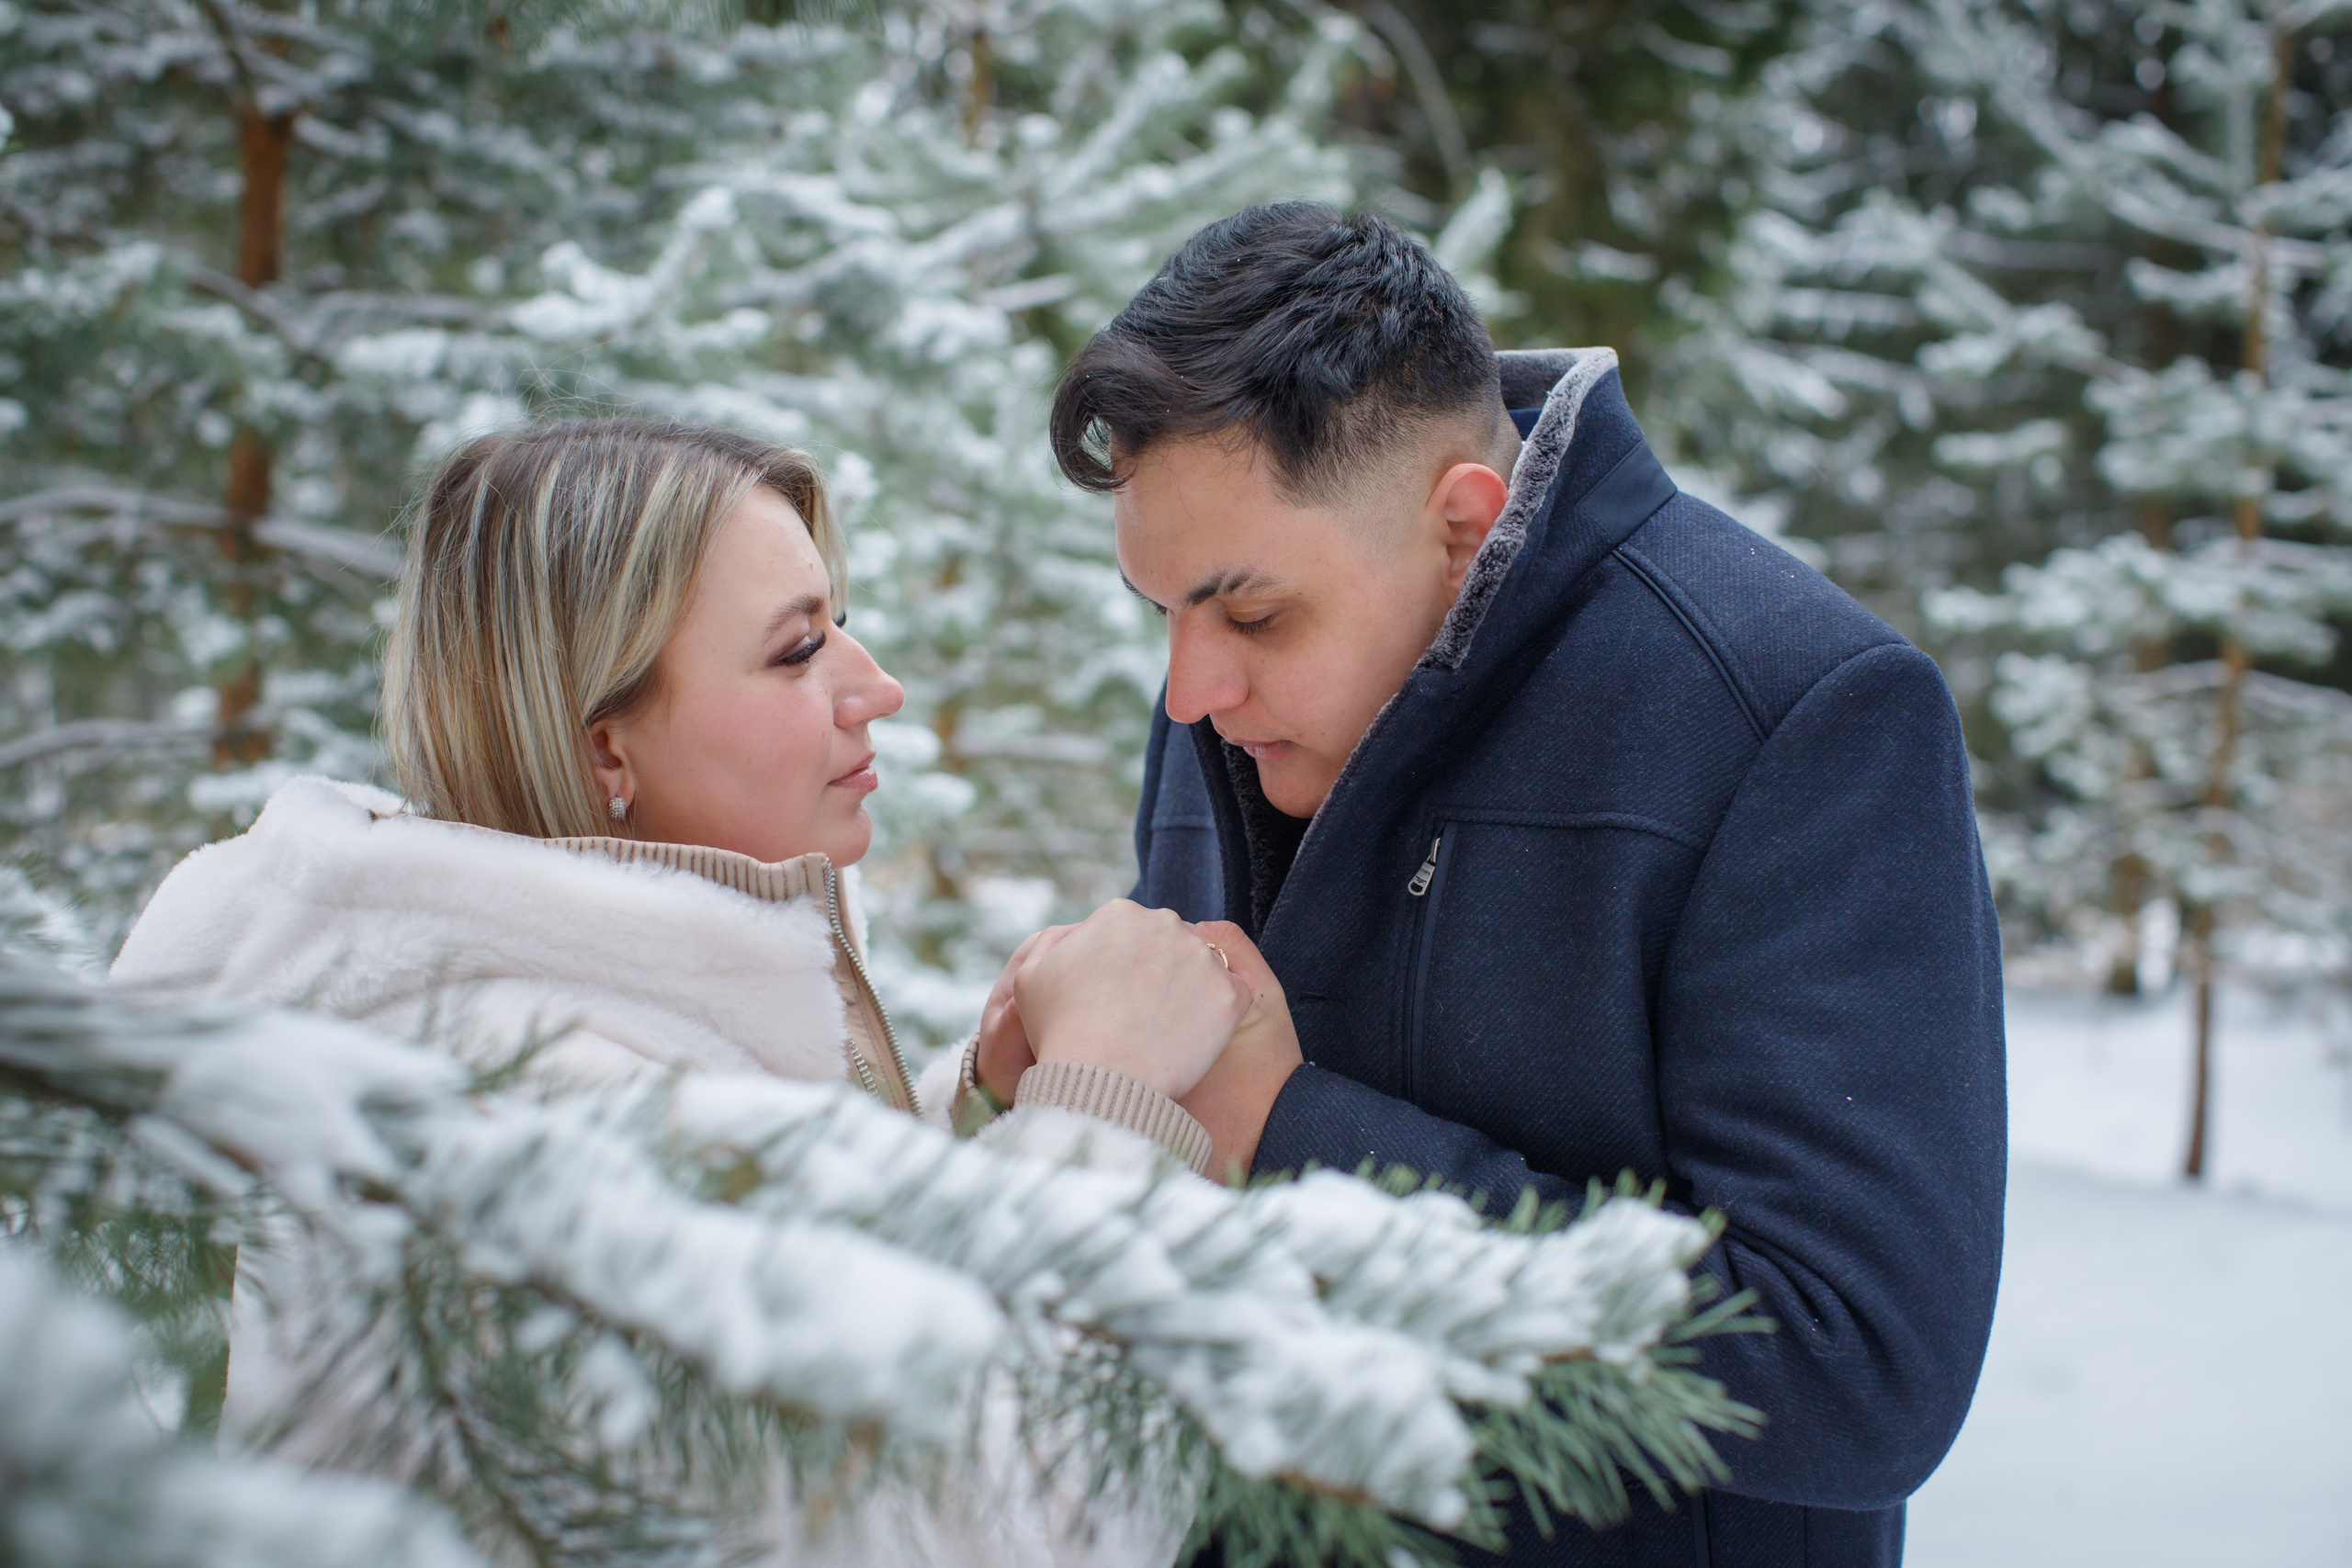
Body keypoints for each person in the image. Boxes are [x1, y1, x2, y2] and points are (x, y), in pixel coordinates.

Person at [107, 417, 1271, 1567]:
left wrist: (977, 1109)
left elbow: (788, 1382)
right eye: (796, 650)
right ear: (604, 750)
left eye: (839, 626)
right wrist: (1104, 1114)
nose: (877, 687)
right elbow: (986, 1533)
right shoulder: (542, 1134)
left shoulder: (511, 1025)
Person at [1042, 204, 2007, 1567]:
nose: (1189, 687)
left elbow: (1855, 1369)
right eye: (1163, 612)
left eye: (1252, 613)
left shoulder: (1796, 712)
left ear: (1461, 524)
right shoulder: (1230, 705)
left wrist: (1295, 1131)